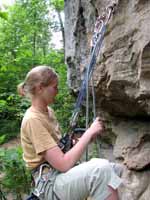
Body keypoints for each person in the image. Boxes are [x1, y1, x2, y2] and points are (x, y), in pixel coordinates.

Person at [18, 65, 123, 200]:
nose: (57, 91)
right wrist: (88, 133)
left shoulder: (48, 112)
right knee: (100, 170)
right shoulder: (33, 120)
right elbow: (63, 164)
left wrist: (74, 144)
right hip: (49, 185)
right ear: (40, 88)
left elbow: (57, 152)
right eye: (54, 87)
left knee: (115, 170)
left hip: (58, 176)